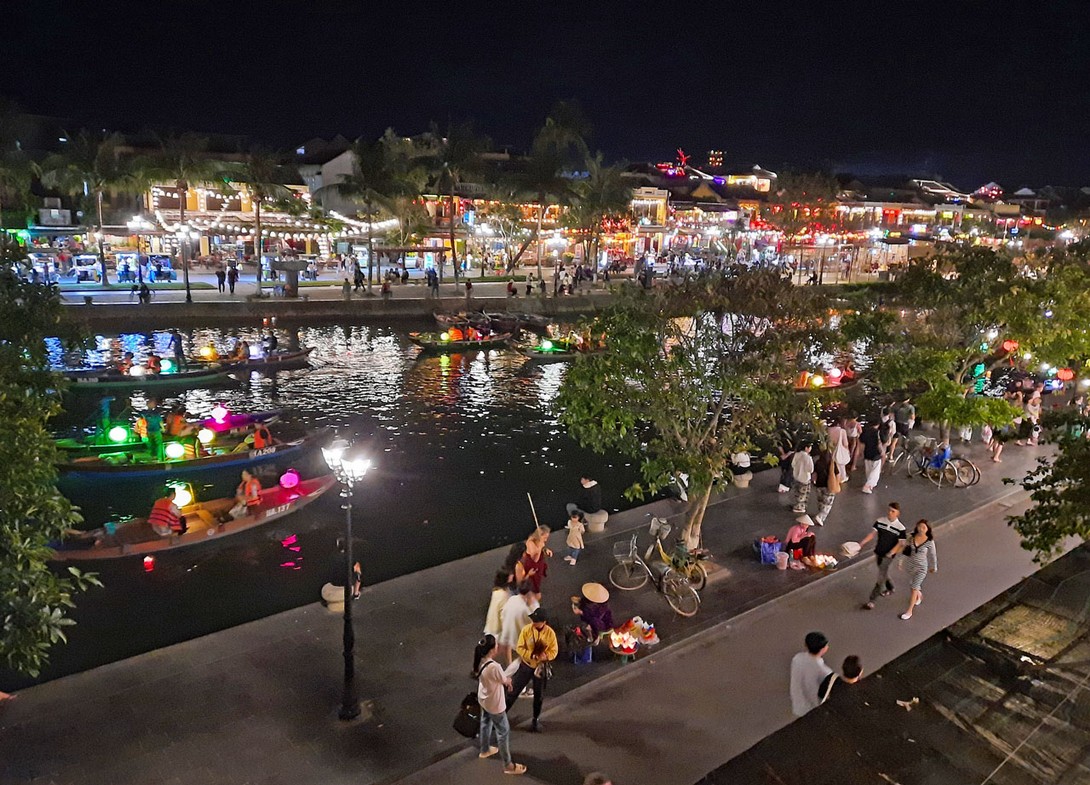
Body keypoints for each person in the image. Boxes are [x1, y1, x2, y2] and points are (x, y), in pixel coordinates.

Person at [473, 635, 527, 775]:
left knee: (485, 722)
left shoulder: (480, 662)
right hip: (494, 703)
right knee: (503, 731)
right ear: (492, 650)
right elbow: (505, 679)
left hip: (484, 698)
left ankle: (484, 749)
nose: (498, 646)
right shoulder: (494, 667)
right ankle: (508, 765)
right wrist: (509, 681)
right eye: (496, 645)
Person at [505, 608, 558, 733]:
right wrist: (531, 655)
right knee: (513, 691)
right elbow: (519, 648)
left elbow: (554, 651)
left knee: (539, 696)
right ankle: (500, 717)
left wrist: (547, 656)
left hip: (540, 669)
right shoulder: (527, 630)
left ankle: (535, 720)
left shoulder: (550, 634)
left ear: (544, 622)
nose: (534, 623)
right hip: (526, 665)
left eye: (536, 621)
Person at [859, 502, 906, 609]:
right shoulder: (880, 521)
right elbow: (872, 534)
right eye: (889, 510)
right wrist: (861, 543)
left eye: (893, 511)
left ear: (898, 513)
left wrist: (891, 553)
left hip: (888, 556)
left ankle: (872, 600)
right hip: (879, 552)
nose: (890, 513)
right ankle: (890, 587)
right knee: (883, 573)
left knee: (880, 576)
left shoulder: (900, 528)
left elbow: (901, 544)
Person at [899, 520, 938, 620]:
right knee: (913, 584)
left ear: (928, 529)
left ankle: (909, 611)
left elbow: (933, 555)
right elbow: (906, 550)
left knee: (914, 588)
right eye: (920, 527)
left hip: (921, 568)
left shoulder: (929, 541)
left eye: (924, 528)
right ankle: (919, 595)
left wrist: (934, 566)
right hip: (911, 566)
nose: (921, 529)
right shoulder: (911, 537)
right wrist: (900, 561)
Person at [789, 631, 833, 717]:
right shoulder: (824, 671)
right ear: (823, 649)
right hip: (813, 709)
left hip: (798, 705)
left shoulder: (797, 658)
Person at [499, 581, 538, 666]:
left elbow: (503, 613)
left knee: (508, 646)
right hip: (519, 636)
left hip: (508, 631)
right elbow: (534, 622)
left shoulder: (512, 599)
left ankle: (509, 663)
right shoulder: (528, 608)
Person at [515, 526, 551, 603]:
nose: (546, 540)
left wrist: (545, 550)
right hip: (532, 564)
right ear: (539, 535)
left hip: (539, 562)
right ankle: (533, 591)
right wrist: (540, 548)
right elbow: (535, 560)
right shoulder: (530, 542)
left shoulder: (540, 541)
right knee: (534, 579)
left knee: (539, 577)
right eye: (545, 537)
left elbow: (542, 549)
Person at [812, 446, 838, 526]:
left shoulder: (818, 462)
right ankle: (820, 517)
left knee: (821, 501)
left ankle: (819, 514)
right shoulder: (832, 464)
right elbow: (837, 474)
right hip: (828, 486)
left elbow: (814, 474)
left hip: (819, 485)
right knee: (827, 504)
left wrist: (813, 482)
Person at [860, 419, 885, 494]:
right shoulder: (877, 432)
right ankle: (868, 485)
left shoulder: (865, 431)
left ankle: (869, 483)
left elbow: (861, 443)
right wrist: (882, 452)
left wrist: (861, 452)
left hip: (867, 452)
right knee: (875, 471)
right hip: (875, 453)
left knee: (868, 469)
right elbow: (879, 443)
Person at [484, 570, 509, 639]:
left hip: (490, 628)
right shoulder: (504, 596)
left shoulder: (496, 592)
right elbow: (503, 615)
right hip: (497, 633)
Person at [790, 442, 814, 514]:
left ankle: (797, 504)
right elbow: (810, 469)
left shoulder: (797, 455)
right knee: (803, 494)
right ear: (806, 448)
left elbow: (793, 464)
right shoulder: (808, 457)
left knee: (797, 492)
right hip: (805, 478)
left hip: (796, 476)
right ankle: (799, 507)